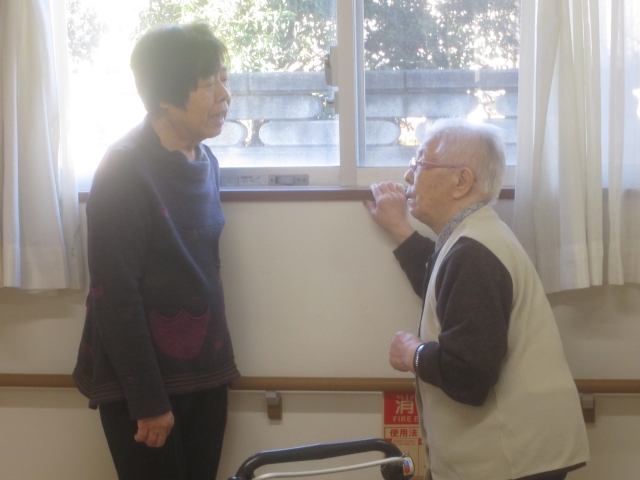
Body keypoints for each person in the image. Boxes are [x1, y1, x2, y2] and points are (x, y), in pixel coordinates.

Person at [365, 119, 589, 480]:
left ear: (461, 181)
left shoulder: (472, 252)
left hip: (512, 461)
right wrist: (399, 228)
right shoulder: (476, 238)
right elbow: (444, 289)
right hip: (521, 457)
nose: (408, 175)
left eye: (420, 163)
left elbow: (468, 376)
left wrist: (413, 353)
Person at [72, 23, 239, 480]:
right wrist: (147, 401)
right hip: (142, 386)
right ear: (165, 96)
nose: (225, 95)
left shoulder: (206, 161)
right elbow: (113, 292)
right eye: (209, 84)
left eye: (225, 79)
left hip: (205, 369)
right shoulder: (125, 168)